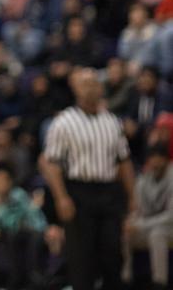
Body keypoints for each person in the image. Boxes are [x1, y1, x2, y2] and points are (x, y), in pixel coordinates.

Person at [39, 67, 136, 290]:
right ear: (75, 89)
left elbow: (124, 162)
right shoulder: (64, 121)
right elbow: (50, 163)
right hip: (78, 192)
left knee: (113, 254)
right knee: (82, 259)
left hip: (109, 192)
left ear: (101, 87)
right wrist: (61, 198)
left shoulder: (112, 121)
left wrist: (132, 197)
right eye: (85, 84)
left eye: (94, 83)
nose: (90, 88)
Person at [0, 161, 47, 290]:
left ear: (10, 181)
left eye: (2, 179)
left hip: (25, 235)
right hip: (6, 238)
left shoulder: (19, 196)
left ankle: (19, 281)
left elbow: (36, 221)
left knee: (13, 237)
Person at [122, 144, 173, 290]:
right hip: (150, 226)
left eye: (159, 160)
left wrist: (141, 225)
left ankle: (159, 283)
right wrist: (130, 222)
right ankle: (126, 280)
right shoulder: (144, 178)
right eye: (152, 160)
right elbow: (138, 210)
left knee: (157, 234)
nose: (155, 163)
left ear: (166, 160)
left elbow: (171, 216)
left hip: (169, 228)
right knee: (127, 232)